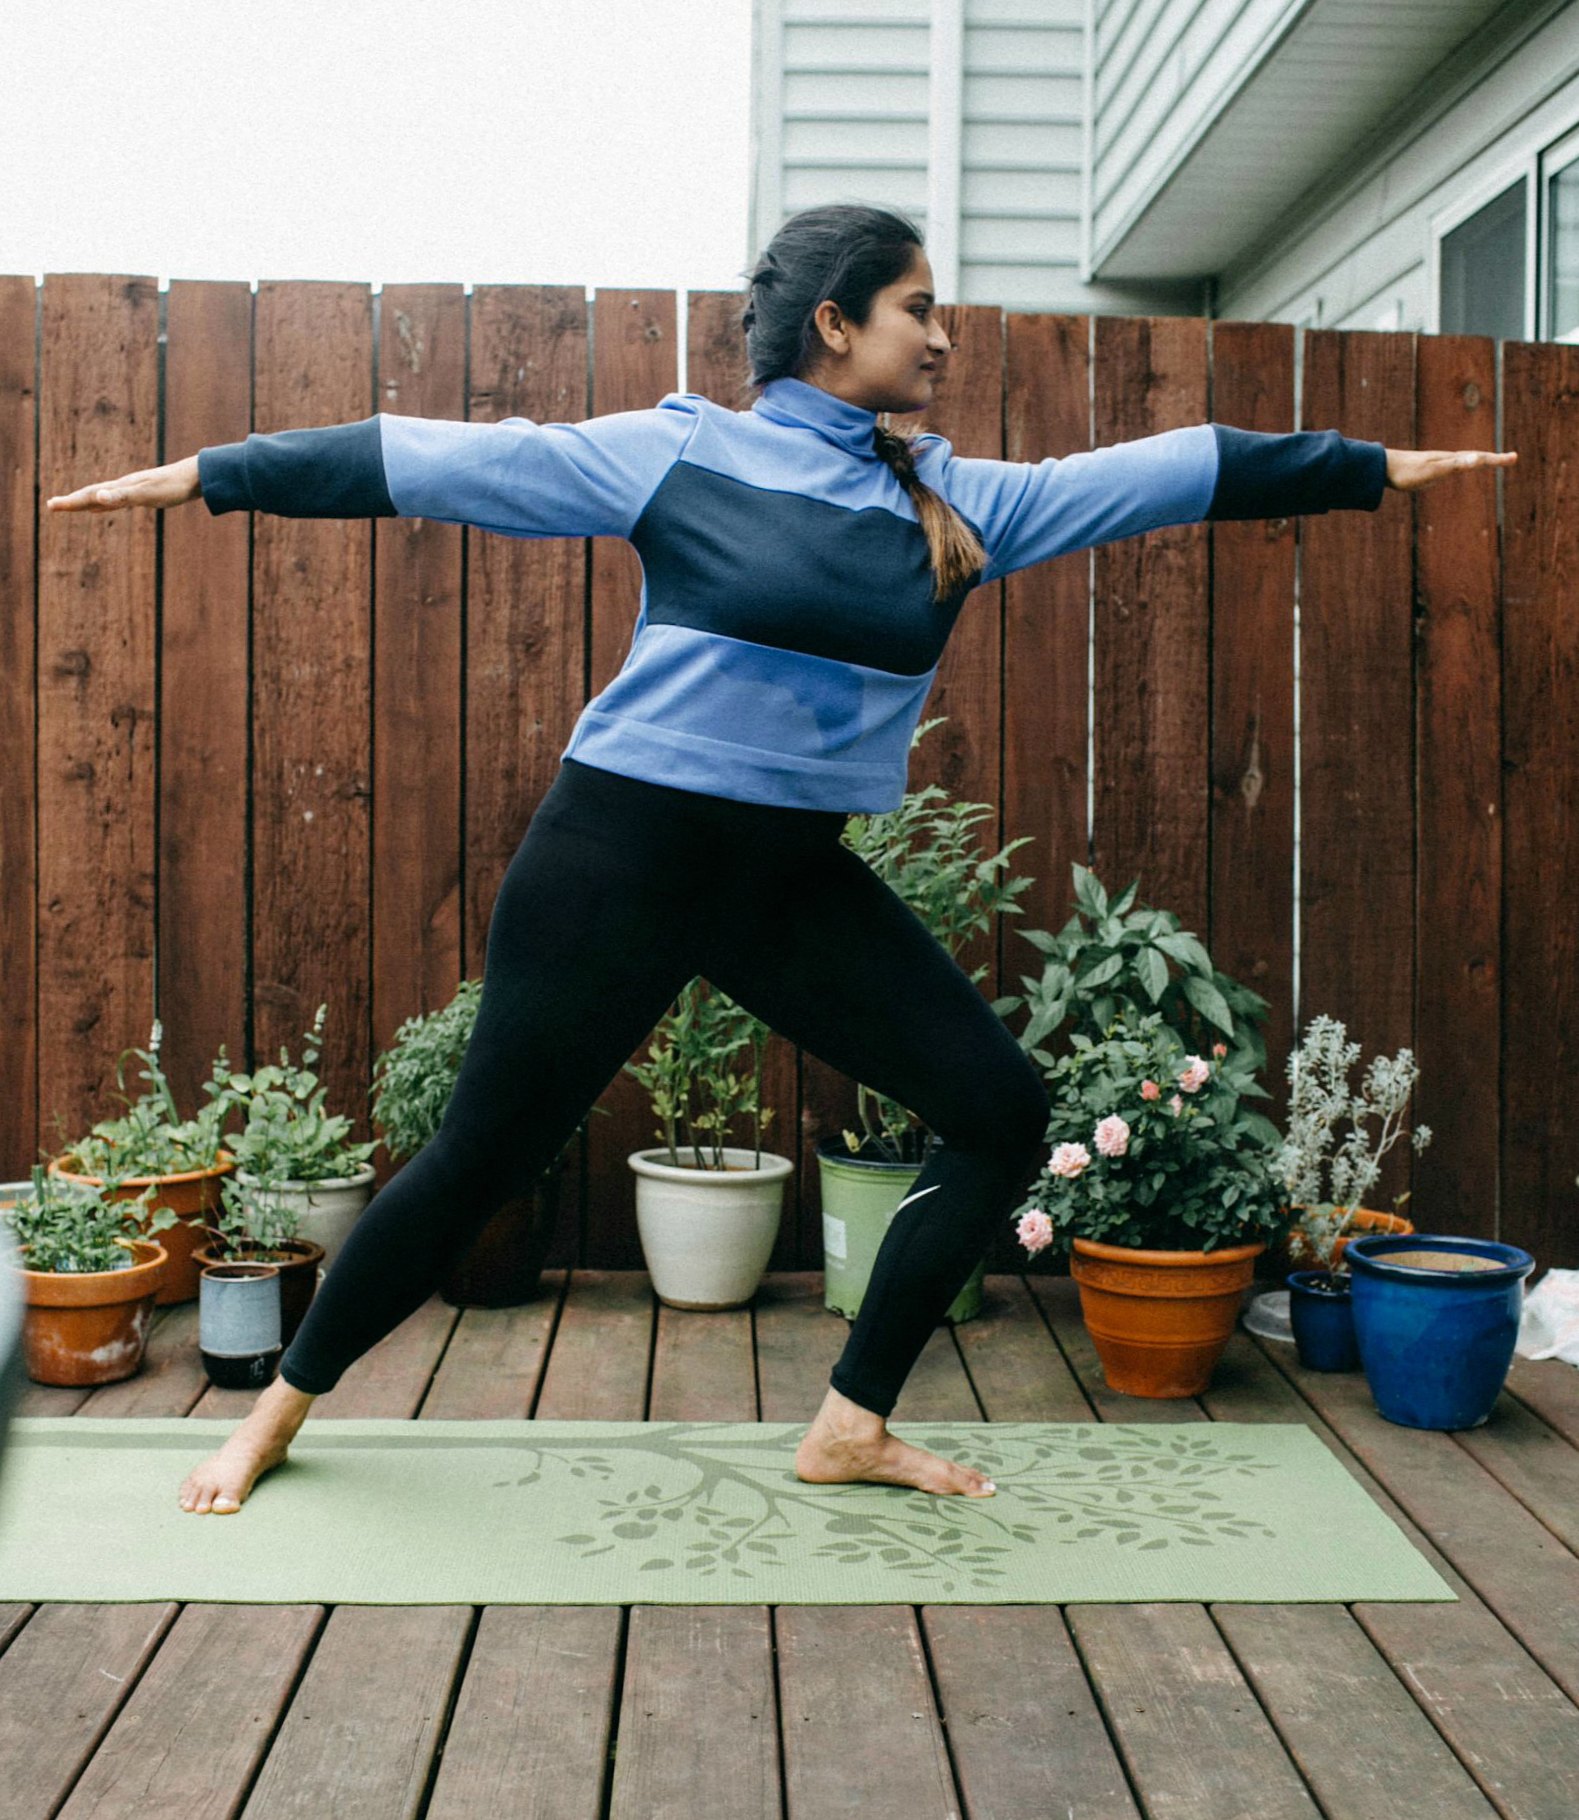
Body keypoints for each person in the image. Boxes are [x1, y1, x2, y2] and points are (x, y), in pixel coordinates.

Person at [46, 203, 1515, 1513]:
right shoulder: (683, 448)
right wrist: (214, 474)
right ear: (836, 323)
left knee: (1000, 1111)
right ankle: (280, 1415)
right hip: (613, 855)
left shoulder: (962, 505)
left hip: (780, 883)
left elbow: (1169, 471)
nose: (942, 336)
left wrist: (1368, 468)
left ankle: (852, 1423)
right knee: (478, 1157)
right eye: (918, 308)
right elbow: (444, 462)